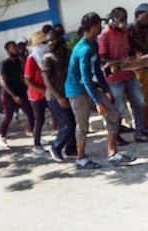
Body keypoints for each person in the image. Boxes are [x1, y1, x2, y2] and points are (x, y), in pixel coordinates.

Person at [65, 12, 136, 169]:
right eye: (99, 25)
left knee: (113, 114)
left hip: (89, 86)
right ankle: (81, 158)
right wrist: (98, 102)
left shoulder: (94, 45)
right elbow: (85, 78)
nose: (101, 28)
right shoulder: (82, 49)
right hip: (77, 90)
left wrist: (106, 89)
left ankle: (113, 153)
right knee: (82, 126)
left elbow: (96, 70)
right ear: (93, 27)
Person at [98, 7, 148, 143]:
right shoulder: (105, 37)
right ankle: (115, 134)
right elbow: (101, 59)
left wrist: (135, 56)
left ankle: (140, 131)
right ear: (113, 20)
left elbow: (130, 49)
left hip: (130, 74)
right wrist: (116, 63)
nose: (124, 23)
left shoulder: (126, 33)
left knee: (140, 102)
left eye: (125, 20)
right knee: (118, 107)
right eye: (121, 20)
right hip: (115, 79)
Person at [42, 29, 77, 162]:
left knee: (73, 122)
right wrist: (59, 97)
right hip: (54, 96)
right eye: (48, 41)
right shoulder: (47, 57)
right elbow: (46, 81)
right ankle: (56, 147)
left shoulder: (66, 53)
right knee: (66, 124)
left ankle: (70, 149)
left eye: (53, 39)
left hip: (67, 92)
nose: (50, 43)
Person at [0, 41, 35, 148]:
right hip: (9, 95)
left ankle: (33, 132)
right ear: (8, 50)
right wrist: (13, 96)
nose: (16, 49)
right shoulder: (5, 63)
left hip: (21, 92)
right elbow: (2, 82)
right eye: (13, 47)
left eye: (16, 47)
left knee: (30, 113)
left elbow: (21, 77)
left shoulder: (18, 61)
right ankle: (2, 136)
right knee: (8, 116)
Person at [24, 30, 51, 154]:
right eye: (44, 42)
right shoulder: (32, 59)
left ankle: (39, 137)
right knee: (39, 119)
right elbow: (27, 80)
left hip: (48, 91)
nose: (47, 44)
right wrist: (41, 90)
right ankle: (36, 144)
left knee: (47, 117)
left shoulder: (45, 55)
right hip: (37, 95)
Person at [128, 3, 148, 130]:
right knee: (142, 97)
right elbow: (127, 47)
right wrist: (135, 52)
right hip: (138, 67)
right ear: (138, 15)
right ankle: (143, 123)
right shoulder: (131, 30)